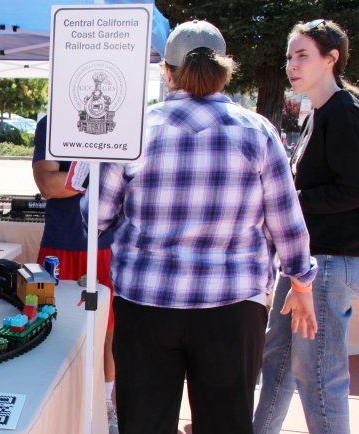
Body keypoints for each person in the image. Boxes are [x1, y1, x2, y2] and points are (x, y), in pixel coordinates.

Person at [97, 21, 318, 433]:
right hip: (233, 307)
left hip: (146, 303)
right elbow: (287, 222)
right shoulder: (257, 131)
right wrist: (301, 284)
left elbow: (96, 218)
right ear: (225, 70)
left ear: (167, 71)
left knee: (143, 425)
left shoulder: (132, 131)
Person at [254, 19, 359, 434]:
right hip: (305, 262)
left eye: (302, 55)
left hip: (329, 262)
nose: (292, 65)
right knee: (277, 361)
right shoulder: (318, 113)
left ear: (331, 59)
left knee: (317, 375)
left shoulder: (343, 112)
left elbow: (353, 189)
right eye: (289, 57)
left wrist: (291, 200)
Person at [32, 116, 119, 430]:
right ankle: (53, 405)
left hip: (108, 244)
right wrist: (104, 176)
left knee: (108, 330)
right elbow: (48, 186)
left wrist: (73, 178)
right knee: (51, 326)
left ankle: (106, 405)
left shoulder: (119, 120)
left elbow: (60, 183)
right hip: (61, 244)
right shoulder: (53, 122)